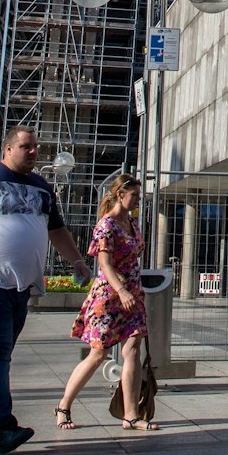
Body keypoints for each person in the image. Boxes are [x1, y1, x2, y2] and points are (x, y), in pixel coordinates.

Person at [0, 126, 93, 455]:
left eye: (36, 146)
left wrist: (78, 262)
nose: (34, 152)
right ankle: (4, 426)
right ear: (8, 149)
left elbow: (57, 229)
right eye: (26, 146)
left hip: (22, 287)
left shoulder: (41, 186)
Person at [53, 174, 154, 432]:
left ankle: (131, 415)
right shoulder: (106, 225)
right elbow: (105, 264)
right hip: (109, 297)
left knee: (133, 350)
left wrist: (131, 292)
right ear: (120, 195)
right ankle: (64, 406)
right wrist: (121, 291)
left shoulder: (132, 223)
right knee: (98, 354)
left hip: (132, 296)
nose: (138, 200)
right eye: (134, 196)